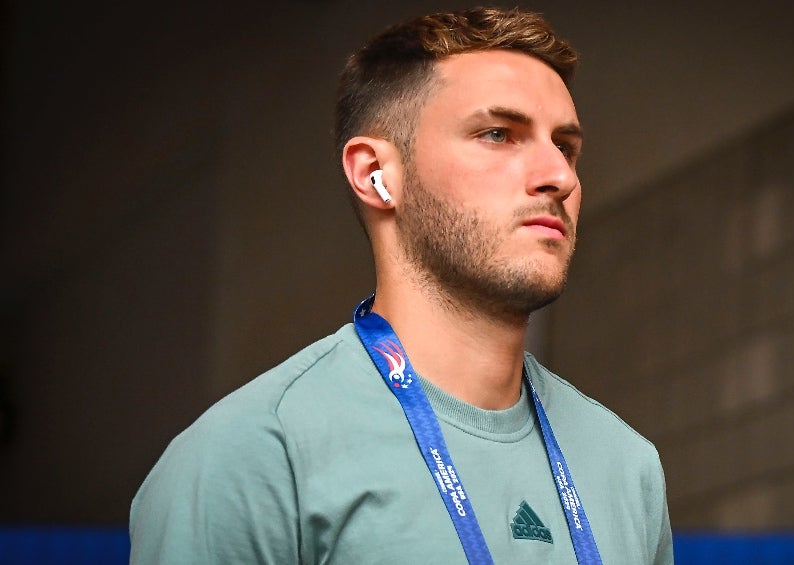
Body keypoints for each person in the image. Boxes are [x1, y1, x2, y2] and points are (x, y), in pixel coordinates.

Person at [129, 7, 673, 564]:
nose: (559, 176)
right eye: (498, 134)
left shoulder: (627, 468)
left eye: (565, 146)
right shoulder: (257, 455)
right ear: (375, 175)